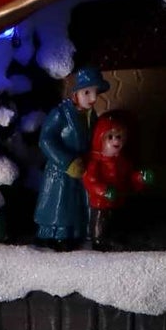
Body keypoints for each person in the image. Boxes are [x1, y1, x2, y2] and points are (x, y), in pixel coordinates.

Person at [34, 65, 108, 245]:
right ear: (76, 93)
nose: (93, 98)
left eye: (95, 92)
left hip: (83, 168)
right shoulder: (60, 114)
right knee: (60, 205)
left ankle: (75, 233)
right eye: (87, 92)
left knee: (76, 205)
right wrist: (66, 161)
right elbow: (46, 140)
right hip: (61, 169)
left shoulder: (91, 115)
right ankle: (56, 235)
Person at [80, 111, 152, 247]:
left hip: (118, 199)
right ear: (100, 139)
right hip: (101, 202)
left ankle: (114, 237)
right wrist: (104, 191)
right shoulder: (95, 162)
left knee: (116, 220)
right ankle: (98, 239)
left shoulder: (123, 161)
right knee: (100, 219)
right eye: (110, 137)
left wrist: (140, 177)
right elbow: (90, 181)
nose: (116, 141)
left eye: (119, 137)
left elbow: (130, 177)